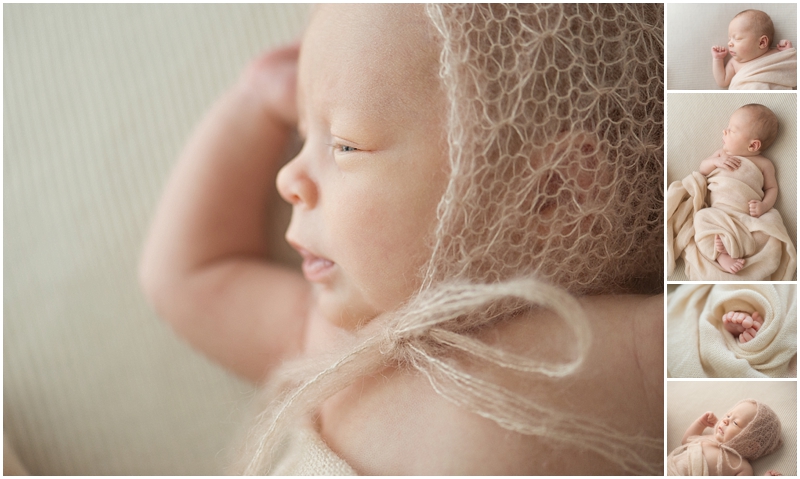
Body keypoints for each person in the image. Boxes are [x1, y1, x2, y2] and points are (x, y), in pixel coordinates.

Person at [140, 4, 664, 475]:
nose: (289, 179)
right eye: (302, 138)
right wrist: (253, 103)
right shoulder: (334, 345)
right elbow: (189, 278)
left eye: (344, 145)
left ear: (551, 194)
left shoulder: (620, 349)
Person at [697, 104, 780, 274]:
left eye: (732, 130)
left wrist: (764, 206)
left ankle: (734, 247)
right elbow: (702, 170)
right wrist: (715, 162)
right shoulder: (722, 154)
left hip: (745, 217)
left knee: (770, 230)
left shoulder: (764, 164)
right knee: (700, 217)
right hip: (719, 213)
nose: (724, 132)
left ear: (753, 146)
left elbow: (772, 188)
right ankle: (721, 254)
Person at [668, 399, 783, 475]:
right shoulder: (710, 439)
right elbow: (686, 441)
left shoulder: (742, 466)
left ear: (751, 446)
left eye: (736, 423)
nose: (726, 420)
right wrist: (701, 423)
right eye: (728, 415)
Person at [711, 9, 796, 90]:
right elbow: (722, 81)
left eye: (737, 38)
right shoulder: (734, 63)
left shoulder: (776, 54)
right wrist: (718, 59)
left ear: (762, 42)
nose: (729, 43)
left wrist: (788, 52)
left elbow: (792, 67)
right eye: (729, 39)